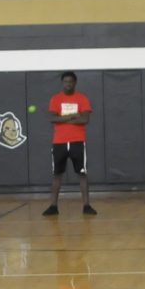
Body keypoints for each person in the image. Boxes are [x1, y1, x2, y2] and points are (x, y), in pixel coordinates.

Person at [43, 71, 96, 216]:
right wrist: (73, 115)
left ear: (75, 83)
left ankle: (86, 206)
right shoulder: (55, 99)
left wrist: (62, 118)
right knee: (57, 175)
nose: (68, 84)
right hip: (59, 142)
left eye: (71, 81)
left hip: (77, 141)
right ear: (62, 83)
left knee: (82, 174)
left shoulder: (82, 98)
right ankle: (53, 206)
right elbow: (52, 118)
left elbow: (84, 120)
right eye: (65, 81)